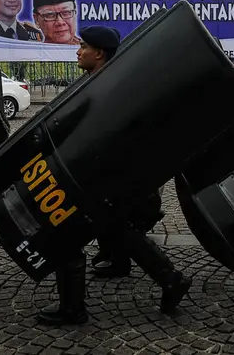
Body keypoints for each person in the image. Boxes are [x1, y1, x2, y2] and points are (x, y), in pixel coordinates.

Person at [38, 26, 190, 325]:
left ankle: (73, 309)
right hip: (111, 175)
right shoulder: (100, 80)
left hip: (116, 175)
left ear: (100, 53)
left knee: (72, 231)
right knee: (118, 229)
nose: (77, 50)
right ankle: (166, 278)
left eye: (83, 46)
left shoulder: (110, 85)